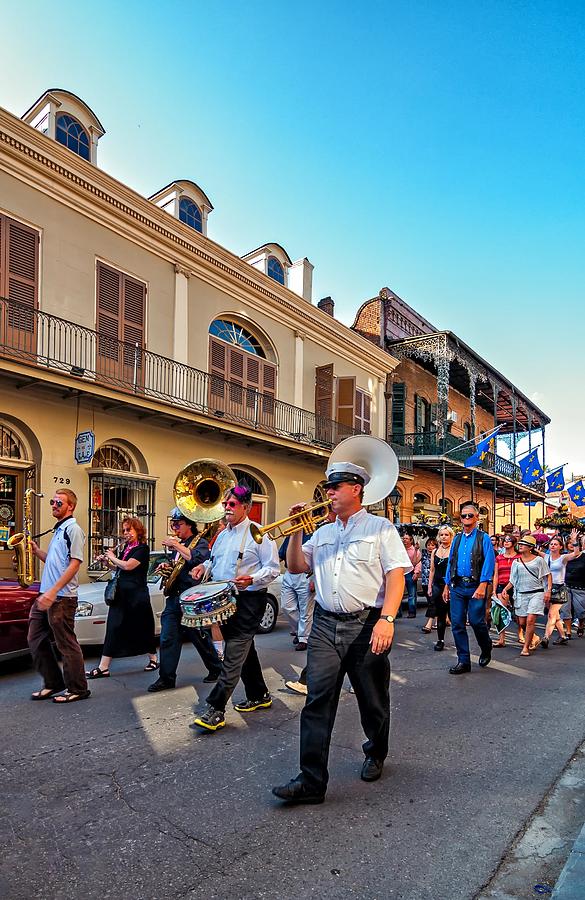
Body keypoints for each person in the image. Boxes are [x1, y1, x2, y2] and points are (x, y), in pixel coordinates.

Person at [272, 460, 412, 805]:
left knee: (372, 700)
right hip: (324, 623)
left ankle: (376, 751)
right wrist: (294, 530)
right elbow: (296, 566)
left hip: (366, 623)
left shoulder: (380, 528)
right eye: (328, 487)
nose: (329, 492)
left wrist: (388, 619)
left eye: (336, 487)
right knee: (317, 701)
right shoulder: (321, 532)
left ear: (356, 489)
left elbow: (396, 575)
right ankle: (311, 781)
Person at [191, 484, 280, 731]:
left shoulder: (260, 534)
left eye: (232, 504)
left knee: (234, 653)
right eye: (225, 504)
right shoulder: (222, 535)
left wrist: (252, 579)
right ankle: (259, 695)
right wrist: (203, 568)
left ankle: (216, 708)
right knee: (244, 649)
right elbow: (215, 561)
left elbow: (273, 568)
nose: (227, 508)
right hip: (226, 598)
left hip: (249, 600)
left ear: (247, 507)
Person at [28, 489, 90, 704]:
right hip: (47, 594)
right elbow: (57, 564)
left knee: (66, 643)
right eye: (53, 501)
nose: (53, 505)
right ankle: (53, 683)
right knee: (34, 639)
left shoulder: (73, 529)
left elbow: (75, 564)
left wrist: (54, 591)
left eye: (58, 502)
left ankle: (79, 689)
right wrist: (37, 552)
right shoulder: (59, 530)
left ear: (70, 506)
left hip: (61, 597)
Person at [148, 507, 220, 692]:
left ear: (189, 524)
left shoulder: (200, 542)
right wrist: (167, 567)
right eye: (173, 524)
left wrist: (177, 545)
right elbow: (179, 567)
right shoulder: (179, 546)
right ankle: (166, 678)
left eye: (178, 524)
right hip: (174, 598)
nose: (174, 527)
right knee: (167, 638)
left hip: (191, 597)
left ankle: (216, 668)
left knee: (199, 636)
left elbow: (197, 559)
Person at [86, 517, 157, 679]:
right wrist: (106, 562)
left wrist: (111, 556)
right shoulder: (126, 548)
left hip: (137, 596)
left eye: (129, 530)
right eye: (124, 530)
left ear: (138, 531)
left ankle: (153, 658)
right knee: (113, 627)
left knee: (143, 627)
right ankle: (103, 667)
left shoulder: (142, 549)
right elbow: (119, 569)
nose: (125, 533)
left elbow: (128, 566)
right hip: (121, 595)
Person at [444, 501, 495, 674]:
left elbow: (489, 562)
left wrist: (482, 585)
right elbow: (451, 561)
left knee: (475, 621)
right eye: (464, 515)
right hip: (457, 585)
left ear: (477, 518)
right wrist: (446, 585)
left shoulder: (483, 538)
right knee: (457, 624)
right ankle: (463, 661)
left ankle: (486, 646)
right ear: (460, 518)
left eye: (470, 515)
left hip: (475, 586)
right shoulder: (457, 538)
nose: (466, 518)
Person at [502, 535, 551, 656]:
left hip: (536, 593)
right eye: (521, 543)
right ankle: (534, 637)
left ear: (530, 547)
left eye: (524, 543)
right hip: (521, 594)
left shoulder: (539, 560)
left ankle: (525, 647)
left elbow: (548, 575)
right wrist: (505, 589)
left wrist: (548, 591)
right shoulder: (516, 562)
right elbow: (513, 580)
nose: (521, 545)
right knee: (522, 623)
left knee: (530, 620)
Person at [541, 531, 580, 648]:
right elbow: (532, 550)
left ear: (560, 547)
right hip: (547, 588)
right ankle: (563, 636)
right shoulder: (545, 556)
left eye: (555, 544)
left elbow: (576, 553)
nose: (552, 546)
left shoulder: (563, 558)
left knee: (551, 615)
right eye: (551, 544)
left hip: (559, 589)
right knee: (556, 616)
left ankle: (546, 637)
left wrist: (574, 541)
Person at [279, 532, 314, 651]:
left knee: (305, 609)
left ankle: (304, 638)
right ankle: (300, 632)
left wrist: (314, 578)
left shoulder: (313, 534)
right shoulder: (291, 534)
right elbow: (281, 554)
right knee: (286, 606)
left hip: (306, 574)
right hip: (289, 573)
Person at [427, 526, 453, 651]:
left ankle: (459, 641)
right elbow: (432, 570)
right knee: (440, 615)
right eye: (442, 535)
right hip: (437, 585)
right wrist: (429, 586)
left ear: (451, 536)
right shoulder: (434, 551)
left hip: (451, 586)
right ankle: (440, 640)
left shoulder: (454, 551)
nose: (444, 537)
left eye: (446, 535)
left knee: (454, 615)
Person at [491, 535, 520, 648]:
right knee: (501, 612)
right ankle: (502, 638)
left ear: (513, 543)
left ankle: (520, 634)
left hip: (516, 586)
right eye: (505, 541)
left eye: (509, 540)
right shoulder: (499, 557)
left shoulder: (518, 557)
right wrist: (494, 590)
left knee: (518, 613)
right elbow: (496, 575)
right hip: (501, 586)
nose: (506, 542)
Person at [566, 534, 585, 636]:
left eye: (573, 543)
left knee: (580, 611)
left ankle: (581, 624)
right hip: (566, 586)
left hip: (580, 587)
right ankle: (568, 632)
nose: (571, 545)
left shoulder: (582, 556)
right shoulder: (563, 556)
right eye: (569, 543)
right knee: (565, 610)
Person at [420, 537, 437, 632]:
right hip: (425, 582)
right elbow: (414, 562)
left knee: (432, 603)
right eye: (428, 545)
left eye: (433, 545)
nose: (430, 547)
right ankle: (443, 619)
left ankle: (429, 623)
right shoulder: (424, 554)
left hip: (435, 583)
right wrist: (415, 550)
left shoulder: (438, 554)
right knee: (431, 602)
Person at [402, 533, 421, 618]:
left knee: (411, 594)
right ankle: (397, 613)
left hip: (410, 572)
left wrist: (416, 573)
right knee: (398, 593)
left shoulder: (415, 550)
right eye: (404, 538)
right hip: (401, 572)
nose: (404, 540)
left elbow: (417, 563)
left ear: (411, 540)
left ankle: (412, 612)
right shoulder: (400, 550)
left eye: (406, 538)